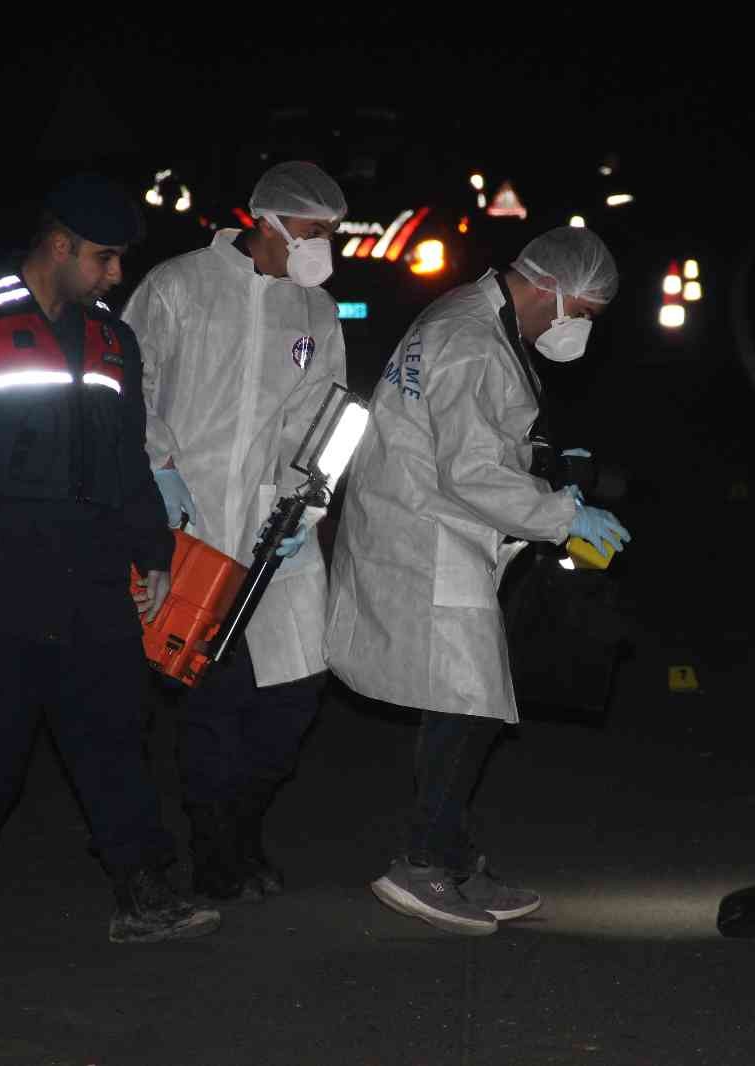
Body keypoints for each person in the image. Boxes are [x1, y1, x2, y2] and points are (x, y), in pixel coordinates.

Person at [0, 173, 219, 943]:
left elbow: (131, 460)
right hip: (1, 568)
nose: (116, 275)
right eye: (105, 258)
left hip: (94, 569)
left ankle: (143, 889)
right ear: (59, 245)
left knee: (113, 734)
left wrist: (155, 550)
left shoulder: (114, 339)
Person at [325, 227, 631, 935]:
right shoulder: (473, 339)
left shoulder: (468, 314)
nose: (583, 328)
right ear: (552, 290)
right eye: (584, 311)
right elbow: (471, 471)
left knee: (465, 701)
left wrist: (546, 470)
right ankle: (424, 863)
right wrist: (561, 516)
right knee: (470, 702)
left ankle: (452, 857)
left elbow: (477, 437)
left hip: (430, 526)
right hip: (432, 534)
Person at [122, 161, 348, 901]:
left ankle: (242, 826)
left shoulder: (315, 312)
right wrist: (154, 470)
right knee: (213, 700)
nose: (324, 249)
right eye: (313, 233)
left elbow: (327, 422)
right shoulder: (179, 285)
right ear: (268, 222)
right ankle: (219, 851)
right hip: (193, 526)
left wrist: (306, 509)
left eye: (331, 235)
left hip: (279, 534)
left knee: (294, 693)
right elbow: (130, 387)